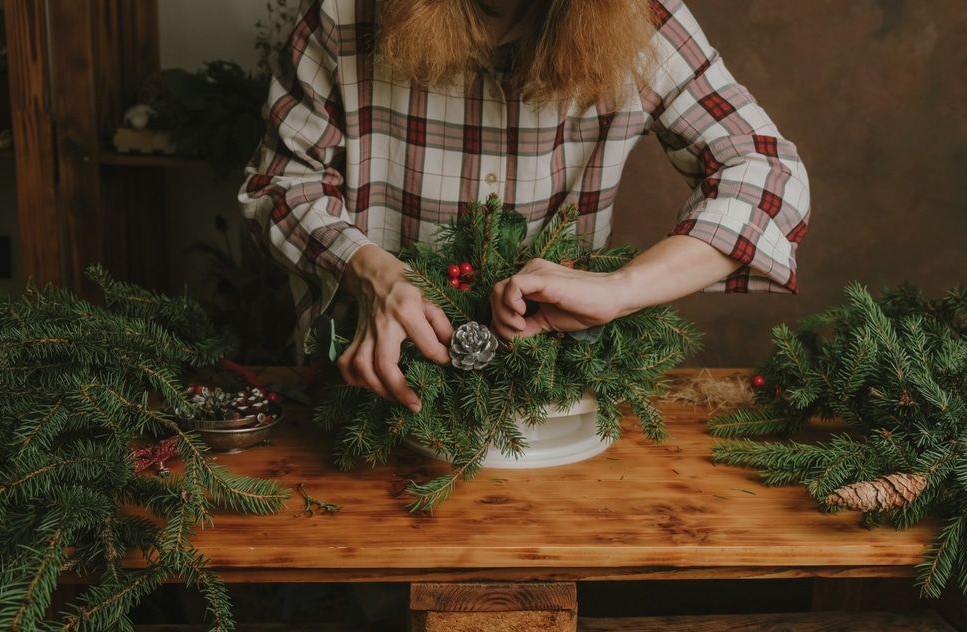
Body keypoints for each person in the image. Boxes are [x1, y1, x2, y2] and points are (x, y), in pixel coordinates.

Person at [238, 0, 811, 414]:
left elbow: (768, 177)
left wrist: (619, 290)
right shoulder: (345, 12)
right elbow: (282, 181)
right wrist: (369, 270)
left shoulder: (644, 18)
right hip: (364, 396)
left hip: (552, 395)